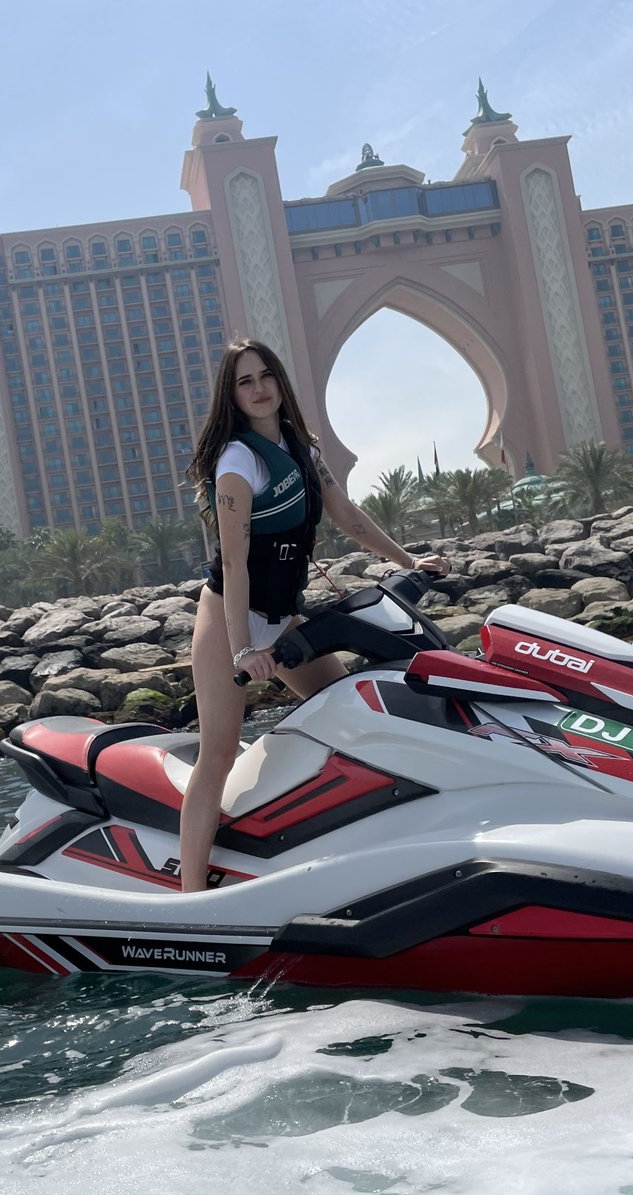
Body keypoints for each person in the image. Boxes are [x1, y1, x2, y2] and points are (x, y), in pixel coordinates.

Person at [178, 337, 450, 892]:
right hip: (233, 617)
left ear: (280, 381)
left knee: (351, 712)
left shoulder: (303, 447)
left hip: (282, 616)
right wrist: (242, 649)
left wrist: (410, 559)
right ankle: (188, 897)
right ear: (232, 396)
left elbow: (346, 515)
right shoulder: (238, 461)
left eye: (265, 376)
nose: (258, 389)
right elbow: (234, 562)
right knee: (220, 752)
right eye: (244, 382)